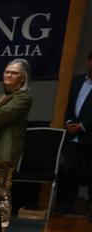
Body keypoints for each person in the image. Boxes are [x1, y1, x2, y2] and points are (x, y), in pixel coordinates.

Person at [0, 60, 31, 229]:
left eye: (14, 73)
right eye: (7, 72)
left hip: (5, 150)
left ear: (23, 79)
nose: (9, 75)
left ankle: (1, 225)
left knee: (0, 188)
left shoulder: (23, 98)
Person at [57, 50, 92, 217]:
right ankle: (66, 204)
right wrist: (69, 122)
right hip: (73, 135)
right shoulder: (77, 82)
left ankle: (90, 208)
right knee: (69, 170)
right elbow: (68, 104)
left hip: (89, 135)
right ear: (89, 62)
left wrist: (83, 126)